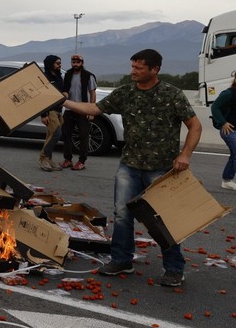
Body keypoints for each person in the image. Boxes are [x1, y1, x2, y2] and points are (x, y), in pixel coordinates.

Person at [63, 49, 201, 287]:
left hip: (161, 169)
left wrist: (185, 155)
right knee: (122, 214)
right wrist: (63, 102)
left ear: (154, 69)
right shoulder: (125, 93)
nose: (133, 72)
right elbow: (94, 109)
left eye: (139, 68)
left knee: (163, 220)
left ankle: (174, 268)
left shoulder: (172, 94)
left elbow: (195, 126)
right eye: (132, 67)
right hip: (130, 166)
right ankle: (121, 260)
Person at [60, 54, 97, 170]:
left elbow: (92, 93)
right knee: (66, 134)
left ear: (82, 63)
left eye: (78, 62)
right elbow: (65, 90)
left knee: (83, 135)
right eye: (73, 62)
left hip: (83, 108)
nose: (75, 64)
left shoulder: (88, 76)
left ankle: (82, 161)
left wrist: (91, 111)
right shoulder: (67, 74)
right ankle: (67, 159)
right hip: (70, 108)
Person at [38, 55, 65, 172]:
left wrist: (65, 94)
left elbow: (62, 91)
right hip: (50, 110)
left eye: (60, 63)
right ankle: (43, 158)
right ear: (50, 64)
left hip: (59, 110)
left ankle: (48, 159)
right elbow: (41, 97)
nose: (60, 65)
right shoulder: (45, 78)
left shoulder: (59, 77)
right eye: (57, 63)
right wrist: (43, 115)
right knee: (57, 133)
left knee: (50, 135)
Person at [210, 73, 236, 191]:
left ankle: (227, 179)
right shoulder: (229, 93)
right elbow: (215, 107)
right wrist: (223, 122)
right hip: (229, 130)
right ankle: (227, 181)